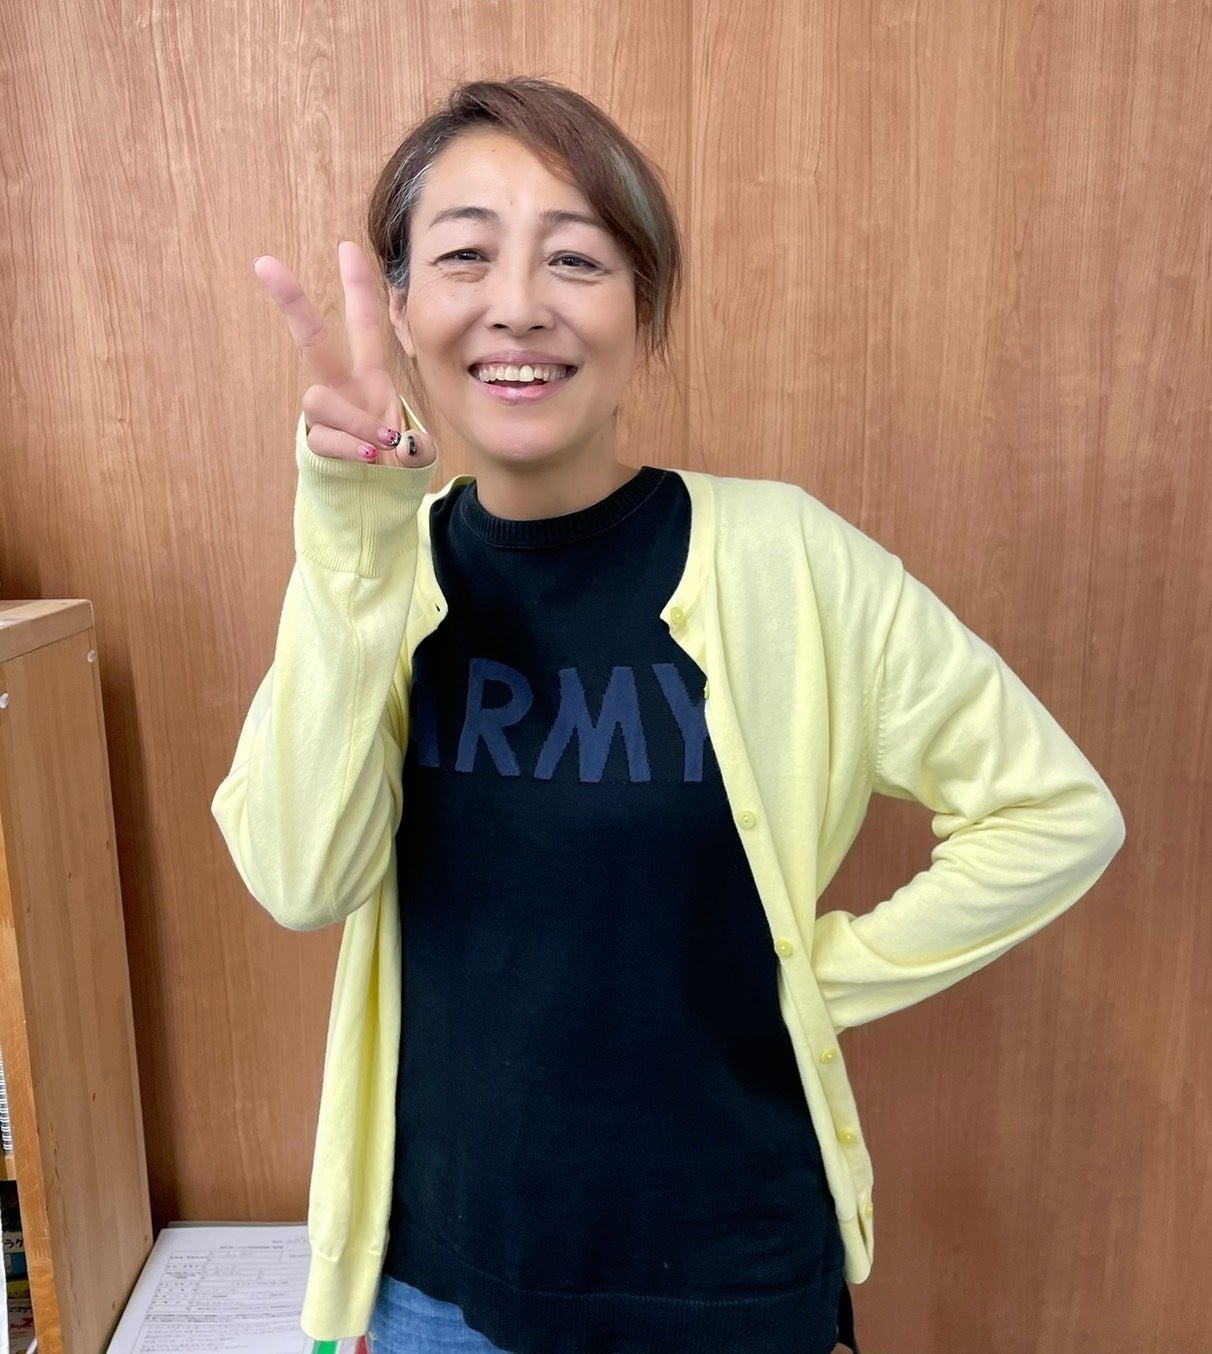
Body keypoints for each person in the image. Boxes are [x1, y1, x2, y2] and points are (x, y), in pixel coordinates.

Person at [212, 77, 1125, 1354]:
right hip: (438, 1290)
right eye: (466, 255)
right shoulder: (379, 569)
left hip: (730, 1286)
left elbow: (1054, 812)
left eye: (576, 257)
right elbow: (301, 877)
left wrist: (815, 978)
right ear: (404, 308)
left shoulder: (786, 558)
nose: (518, 302)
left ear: (643, 309)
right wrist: (350, 530)